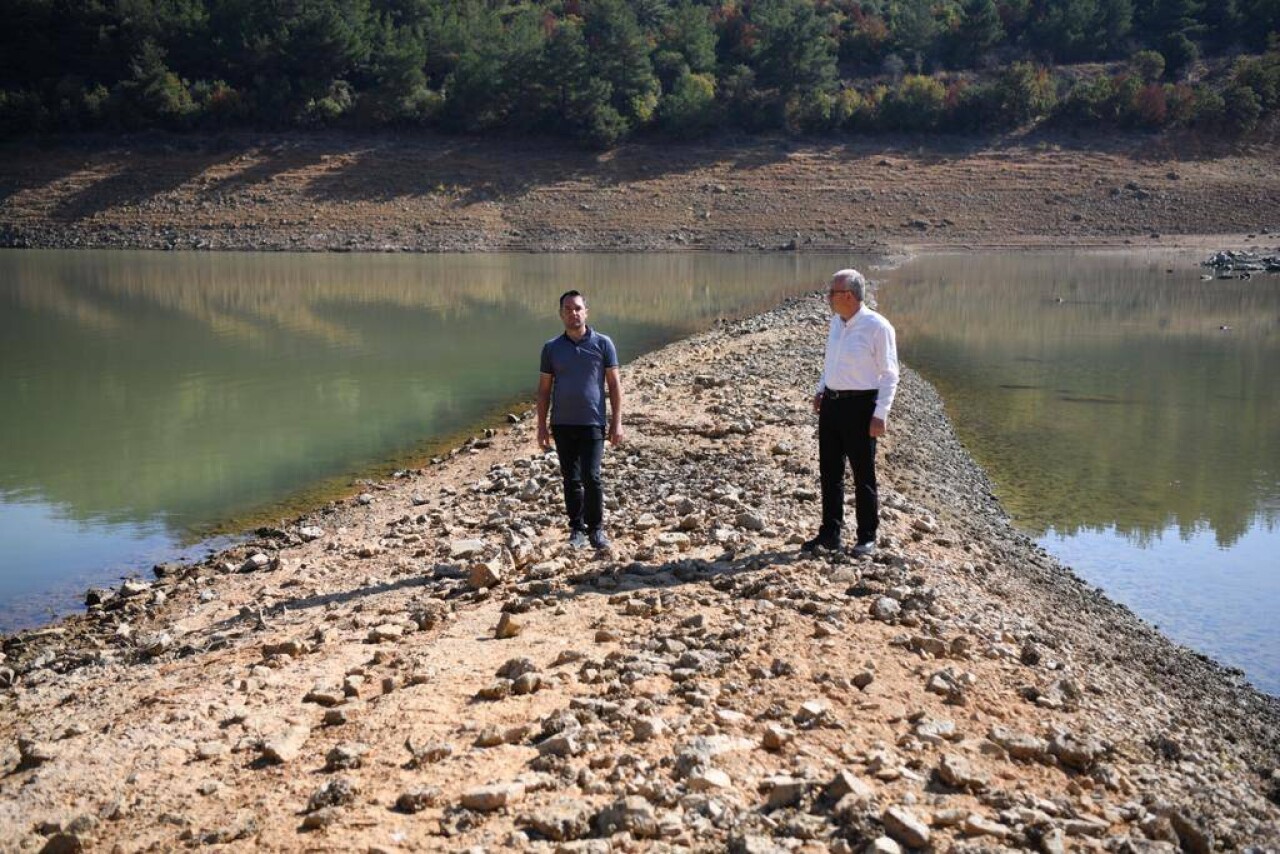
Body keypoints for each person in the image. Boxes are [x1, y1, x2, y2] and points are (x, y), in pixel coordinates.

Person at [803, 269, 899, 557]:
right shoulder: (836, 322)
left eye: (831, 292)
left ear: (848, 296)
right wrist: (822, 389)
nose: (827, 297)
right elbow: (831, 362)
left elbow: (890, 374)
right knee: (829, 471)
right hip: (832, 405)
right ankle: (830, 533)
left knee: (863, 474)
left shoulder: (878, 327)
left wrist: (881, 413)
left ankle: (866, 536)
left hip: (861, 407)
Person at [536, 290, 624, 550]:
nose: (573, 313)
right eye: (567, 309)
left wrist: (617, 422)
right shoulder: (552, 348)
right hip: (562, 423)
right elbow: (543, 390)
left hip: (593, 422)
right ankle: (577, 530)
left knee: (592, 476)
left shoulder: (603, 343)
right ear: (561, 313)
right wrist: (541, 426)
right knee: (570, 478)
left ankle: (597, 529)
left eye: (577, 308)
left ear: (586, 311)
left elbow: (615, 385)